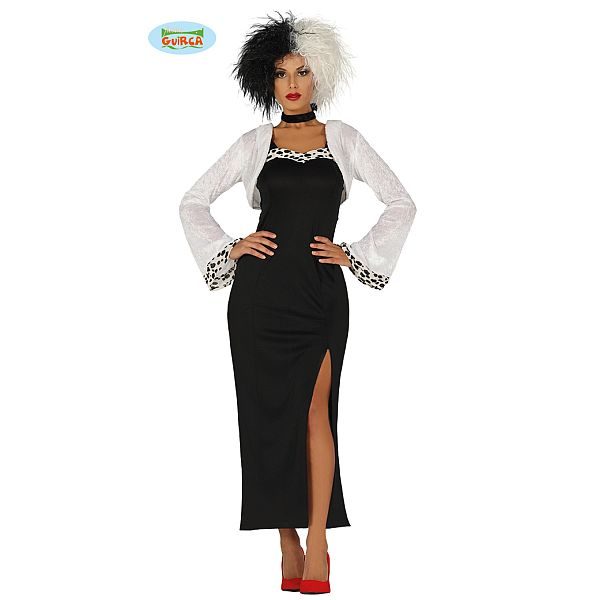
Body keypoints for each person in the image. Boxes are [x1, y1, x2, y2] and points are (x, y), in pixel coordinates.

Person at [178, 11, 417, 594]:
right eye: (282, 73)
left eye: (303, 71)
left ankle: (319, 542)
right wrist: (232, 247)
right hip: (259, 297)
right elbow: (192, 202)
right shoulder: (254, 143)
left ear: (320, 76)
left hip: (319, 293)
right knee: (267, 417)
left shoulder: (345, 139)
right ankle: (286, 540)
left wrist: (353, 255)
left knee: (314, 411)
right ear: (268, 79)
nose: (292, 83)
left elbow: (401, 202)